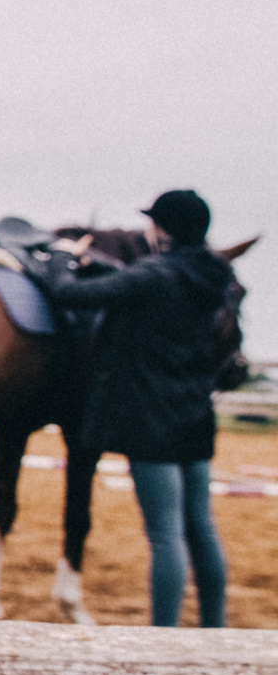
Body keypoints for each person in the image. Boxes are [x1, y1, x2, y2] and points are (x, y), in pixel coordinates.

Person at [48, 190, 239, 627]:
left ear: (164, 228)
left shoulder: (153, 275)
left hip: (150, 419)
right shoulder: (212, 274)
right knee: (201, 528)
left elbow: (67, 294)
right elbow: (147, 283)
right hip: (195, 415)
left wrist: (62, 256)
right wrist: (107, 267)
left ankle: (165, 635)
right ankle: (215, 627)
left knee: (164, 535)